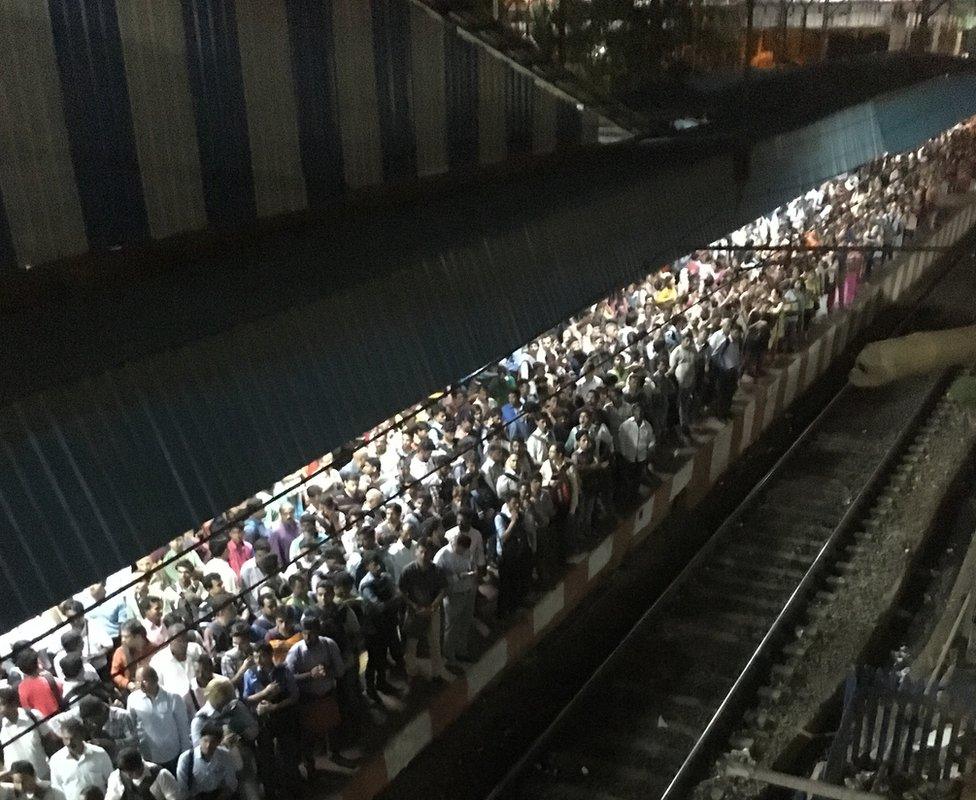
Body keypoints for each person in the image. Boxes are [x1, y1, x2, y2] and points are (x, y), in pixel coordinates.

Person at [283, 617, 344, 771]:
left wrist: (326, 671)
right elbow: (288, 679)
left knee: (333, 727)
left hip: (327, 694)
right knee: (308, 735)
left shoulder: (328, 645)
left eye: (310, 633)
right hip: (308, 699)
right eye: (304, 633)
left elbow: (340, 670)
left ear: (318, 631)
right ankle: (310, 766)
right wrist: (310, 674)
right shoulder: (296, 651)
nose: (307, 637)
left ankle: (334, 753)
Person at [241, 644, 300, 800]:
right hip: (263, 722)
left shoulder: (283, 671)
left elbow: (294, 696)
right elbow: (246, 699)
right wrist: (264, 693)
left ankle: (293, 789)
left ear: (270, 655)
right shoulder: (250, 674)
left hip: (283, 719)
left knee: (288, 755)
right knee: (267, 760)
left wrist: (275, 706)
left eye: (261, 656)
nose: (258, 660)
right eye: (255, 656)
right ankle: (271, 792)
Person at [397, 539, 451, 683]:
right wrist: (413, 606)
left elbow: (443, 589)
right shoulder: (408, 570)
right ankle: (412, 672)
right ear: (416, 552)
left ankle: (437, 673)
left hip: (432, 610)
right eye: (421, 551)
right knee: (411, 644)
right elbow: (401, 590)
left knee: (434, 642)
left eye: (427, 552)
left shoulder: (437, 570)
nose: (423, 555)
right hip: (415, 612)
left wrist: (433, 606)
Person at [126, 667, 191, 774]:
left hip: (173, 755)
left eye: (144, 681)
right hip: (149, 758)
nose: (141, 685)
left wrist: (186, 755)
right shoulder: (133, 699)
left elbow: (183, 728)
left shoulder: (172, 697)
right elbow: (132, 727)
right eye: (138, 682)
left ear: (155, 679)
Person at [357, 554, 401, 699]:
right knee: (374, 659)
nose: (377, 566)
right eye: (373, 564)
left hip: (387, 624)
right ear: (367, 566)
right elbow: (379, 606)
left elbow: (397, 594)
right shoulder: (366, 584)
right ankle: (370, 688)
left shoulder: (385, 577)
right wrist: (393, 601)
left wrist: (393, 600)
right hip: (373, 628)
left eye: (378, 563)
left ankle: (381, 683)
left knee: (383, 657)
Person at [433, 533, 478, 666]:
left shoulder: (466, 551)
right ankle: (449, 656)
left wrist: (473, 572)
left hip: (468, 591)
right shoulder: (442, 556)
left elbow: (472, 562)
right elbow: (438, 578)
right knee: (451, 627)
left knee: (465, 623)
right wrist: (458, 576)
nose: (463, 552)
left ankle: (461, 651)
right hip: (453, 595)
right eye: (461, 549)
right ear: (455, 544)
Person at [48, 718, 113, 800]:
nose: (69, 743)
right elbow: (58, 792)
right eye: (66, 739)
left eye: (73, 738)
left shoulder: (99, 754)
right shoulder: (56, 761)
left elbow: (112, 783)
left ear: (82, 735)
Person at [0, 689, 53, 780]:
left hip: (42, 776)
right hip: (18, 783)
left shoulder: (32, 716)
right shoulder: (1, 726)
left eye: (1, 704)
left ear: (13, 704)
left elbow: (50, 739)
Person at [176, 722, 237, 800]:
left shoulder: (225, 756)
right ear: (200, 739)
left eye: (213, 742)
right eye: (205, 741)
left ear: (219, 742)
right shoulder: (186, 758)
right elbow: (182, 789)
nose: (208, 745)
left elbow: (231, 782)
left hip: (218, 795)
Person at [494, 494, 532, 618]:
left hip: (517, 553)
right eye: (514, 503)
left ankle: (516, 606)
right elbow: (503, 537)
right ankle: (502, 613)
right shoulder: (500, 517)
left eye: (518, 502)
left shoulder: (519, 514)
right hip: (505, 557)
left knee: (517, 581)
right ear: (508, 503)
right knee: (505, 585)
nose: (517, 505)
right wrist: (513, 522)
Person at [104, 749, 180, 800]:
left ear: (140, 766)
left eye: (132, 772)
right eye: (125, 773)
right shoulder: (116, 776)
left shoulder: (162, 775)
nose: (128, 776)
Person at [617, 405, 654, 502]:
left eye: (641, 412)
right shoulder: (626, 425)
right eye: (637, 411)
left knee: (637, 477)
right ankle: (626, 497)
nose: (639, 414)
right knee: (628, 477)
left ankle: (634, 494)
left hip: (641, 457)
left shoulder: (647, 426)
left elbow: (650, 439)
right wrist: (624, 454)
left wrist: (649, 448)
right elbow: (622, 440)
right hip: (629, 457)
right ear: (633, 413)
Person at [15, 651, 62, 718]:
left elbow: (27, 708)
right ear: (37, 663)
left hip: (42, 722)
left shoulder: (21, 687)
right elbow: (61, 691)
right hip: (59, 716)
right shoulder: (48, 678)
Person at [111, 621, 151, 697]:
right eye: (122, 636)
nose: (122, 640)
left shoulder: (153, 648)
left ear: (137, 636)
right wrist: (127, 684)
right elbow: (115, 674)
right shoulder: (120, 652)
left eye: (126, 637)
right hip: (132, 691)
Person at [0, 761, 66, 800]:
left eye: (24, 781)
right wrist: (10, 772)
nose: (21, 786)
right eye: (17, 782)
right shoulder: (11, 794)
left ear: (33, 775)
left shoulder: (53, 792)